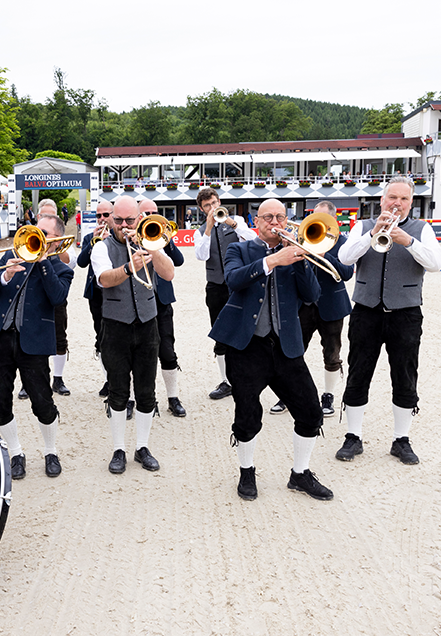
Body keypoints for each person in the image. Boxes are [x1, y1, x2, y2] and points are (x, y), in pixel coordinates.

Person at [209, 197, 332, 501]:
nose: (275, 223)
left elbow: (312, 294)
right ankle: (246, 471)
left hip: (287, 345)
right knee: (247, 413)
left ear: (288, 220)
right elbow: (234, 280)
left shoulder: (297, 250)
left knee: (311, 411)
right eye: (268, 218)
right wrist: (273, 260)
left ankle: (300, 473)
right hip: (248, 345)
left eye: (280, 217)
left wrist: (302, 261)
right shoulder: (241, 248)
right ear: (256, 222)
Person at [335, 176, 441, 465]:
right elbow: (345, 258)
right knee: (359, 371)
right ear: (382, 200)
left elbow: (435, 264)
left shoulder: (422, 229)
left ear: (411, 202)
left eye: (404, 199)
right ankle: (353, 436)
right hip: (366, 310)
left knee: (405, 375)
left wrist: (408, 241)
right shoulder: (362, 225)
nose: (397, 203)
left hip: (406, 313)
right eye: (392, 198)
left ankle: (401, 439)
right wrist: (373, 233)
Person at [0, 213, 73, 479]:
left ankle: (50, 450)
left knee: (42, 401)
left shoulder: (61, 268)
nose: (38, 235)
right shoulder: (13, 255)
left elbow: (57, 296)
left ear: (56, 240)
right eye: (36, 230)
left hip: (34, 343)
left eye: (45, 233)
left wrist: (43, 262)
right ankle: (15, 452)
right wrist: (5, 275)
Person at [90, 195, 175, 474]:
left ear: (139, 219)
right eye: (118, 220)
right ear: (111, 219)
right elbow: (104, 279)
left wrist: (153, 248)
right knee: (117, 391)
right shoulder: (101, 247)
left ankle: (141, 446)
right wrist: (130, 267)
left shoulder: (149, 241)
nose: (123, 226)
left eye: (129, 220)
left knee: (146, 390)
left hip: (147, 324)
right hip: (115, 325)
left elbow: (169, 273)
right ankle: (118, 449)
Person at [269, 200, 353, 418]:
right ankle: (288, 394)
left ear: (332, 220)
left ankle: (328, 395)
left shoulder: (343, 242)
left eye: (322, 219)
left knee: (332, 353)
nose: (316, 223)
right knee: (294, 351)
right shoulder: (302, 236)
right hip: (304, 305)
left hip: (331, 305)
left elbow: (346, 273)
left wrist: (325, 255)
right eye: (314, 218)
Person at [193, 187, 256, 400]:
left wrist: (232, 224)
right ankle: (226, 381)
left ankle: (247, 376)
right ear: (202, 210)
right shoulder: (200, 230)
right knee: (220, 334)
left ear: (219, 201)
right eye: (207, 206)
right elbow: (201, 255)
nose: (212, 208)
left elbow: (252, 240)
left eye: (214, 203)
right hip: (215, 286)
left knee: (246, 330)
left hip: (238, 283)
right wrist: (209, 228)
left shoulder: (236, 219)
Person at [19, 198, 76, 398]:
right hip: (31, 294)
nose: (45, 219)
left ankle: (58, 378)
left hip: (54, 288)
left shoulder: (60, 240)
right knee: (26, 335)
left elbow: (72, 262)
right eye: (42, 216)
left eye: (50, 216)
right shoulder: (29, 236)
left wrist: (51, 249)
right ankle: (26, 381)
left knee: (59, 336)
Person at [138, 197, 186, 417]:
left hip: (162, 300)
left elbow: (179, 261)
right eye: (145, 213)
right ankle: (140, 398)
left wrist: (164, 239)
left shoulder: (164, 236)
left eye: (153, 213)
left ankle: (173, 397)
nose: (149, 217)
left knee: (167, 350)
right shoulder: (131, 237)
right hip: (138, 302)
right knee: (140, 354)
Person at [76, 199, 113, 400]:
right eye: (98, 215)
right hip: (96, 294)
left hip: (114, 293)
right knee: (100, 336)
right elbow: (81, 262)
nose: (101, 219)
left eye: (106, 215)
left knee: (114, 336)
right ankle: (108, 378)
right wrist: (93, 242)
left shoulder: (118, 236)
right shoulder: (90, 236)